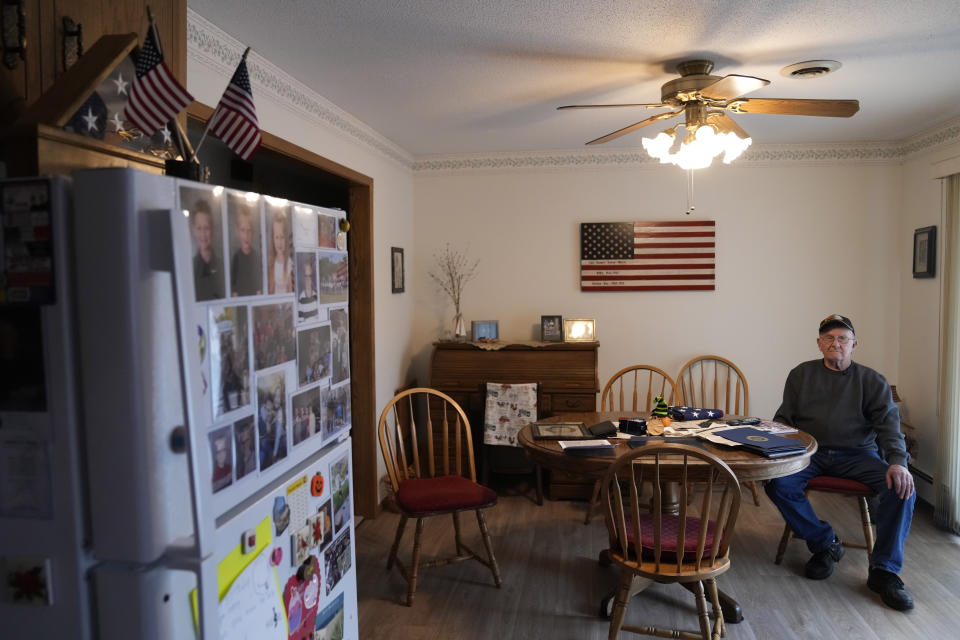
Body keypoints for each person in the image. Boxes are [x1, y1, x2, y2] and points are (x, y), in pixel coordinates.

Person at [765, 314, 916, 611]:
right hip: (811, 453)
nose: (836, 343)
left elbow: (889, 427)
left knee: (901, 487)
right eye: (829, 338)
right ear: (819, 344)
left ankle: (884, 571)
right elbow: (785, 419)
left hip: (859, 455)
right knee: (777, 483)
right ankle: (824, 544)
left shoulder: (872, 381)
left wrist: (898, 463)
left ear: (854, 344)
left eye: (842, 338)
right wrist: (775, 436)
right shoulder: (801, 375)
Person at [191, 199, 224, 301]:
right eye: (199, 228)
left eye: (206, 228)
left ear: (212, 229)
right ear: (193, 230)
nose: (203, 234)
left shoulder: (222, 265)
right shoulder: (191, 268)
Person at [231, 206, 261, 296]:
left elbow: (259, 290)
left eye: (249, 230)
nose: (246, 235)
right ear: (238, 231)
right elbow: (234, 292)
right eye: (243, 230)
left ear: (253, 232)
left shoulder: (256, 257)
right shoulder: (236, 258)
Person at [268, 209, 294, 294]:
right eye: (277, 237)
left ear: (286, 238)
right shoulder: (273, 262)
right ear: (273, 239)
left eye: (282, 237)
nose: (279, 242)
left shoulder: (288, 261)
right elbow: (271, 289)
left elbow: (290, 287)